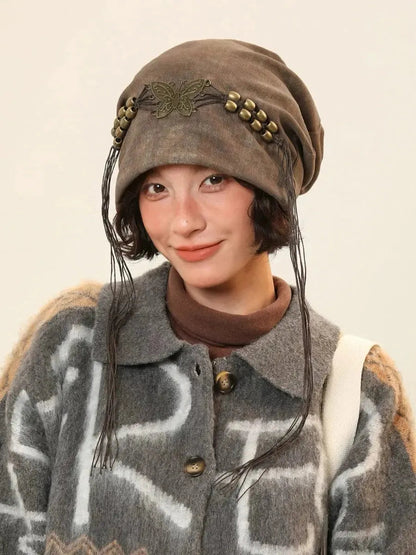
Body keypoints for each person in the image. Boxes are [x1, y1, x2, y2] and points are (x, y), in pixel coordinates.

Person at [0, 39, 415, 554]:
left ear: (272, 187)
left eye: (213, 180)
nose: (183, 221)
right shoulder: (73, 345)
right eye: (156, 188)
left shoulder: (356, 390)